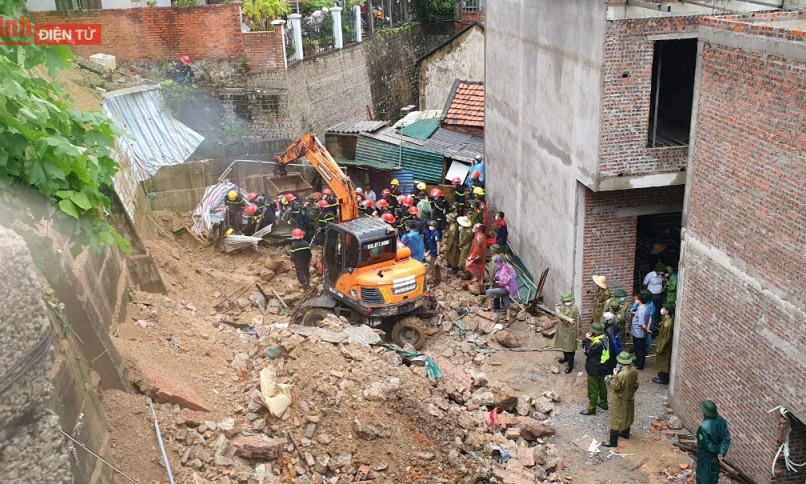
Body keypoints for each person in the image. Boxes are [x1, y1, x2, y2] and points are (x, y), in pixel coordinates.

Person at [602, 352, 639, 447]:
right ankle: (625, 433)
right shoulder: (634, 371)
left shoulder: (622, 374)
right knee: (628, 415)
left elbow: (616, 386)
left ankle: (613, 442)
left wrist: (615, 375)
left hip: (620, 398)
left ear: (620, 362)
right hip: (629, 397)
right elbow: (636, 384)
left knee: (616, 418)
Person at [696, 400, 731, 484]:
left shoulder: (703, 427)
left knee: (703, 480)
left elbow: (707, 445)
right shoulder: (721, 420)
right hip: (716, 458)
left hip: (705, 458)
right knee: (713, 479)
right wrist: (721, 451)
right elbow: (727, 437)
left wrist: (718, 450)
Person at [580, 322, 610, 415]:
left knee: (593, 389)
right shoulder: (605, 337)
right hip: (603, 366)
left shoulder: (597, 343)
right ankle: (604, 403)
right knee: (602, 385)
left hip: (594, 368)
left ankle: (591, 409)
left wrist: (586, 340)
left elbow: (588, 352)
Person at [485, 255, 518, 321]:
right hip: (509, 288)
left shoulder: (504, 270)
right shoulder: (507, 267)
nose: (496, 265)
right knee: (506, 302)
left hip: (505, 288)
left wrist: (497, 282)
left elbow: (504, 282)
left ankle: (489, 308)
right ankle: (508, 317)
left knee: (488, 292)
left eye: (497, 263)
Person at [554, 294, 581, 373]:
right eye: (566, 301)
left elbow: (578, 319)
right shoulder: (559, 306)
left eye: (569, 301)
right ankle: (565, 358)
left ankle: (570, 365)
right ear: (562, 301)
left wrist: (578, 331)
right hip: (562, 329)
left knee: (571, 349)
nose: (568, 302)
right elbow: (558, 314)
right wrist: (568, 319)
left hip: (571, 331)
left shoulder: (574, 307)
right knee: (564, 346)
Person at [653, 304, 675, 385]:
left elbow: (665, 338)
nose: (662, 309)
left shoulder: (667, 324)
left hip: (665, 347)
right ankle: (662, 374)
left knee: (664, 361)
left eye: (664, 308)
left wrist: (660, 348)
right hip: (666, 346)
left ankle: (664, 378)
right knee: (664, 361)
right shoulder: (669, 320)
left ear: (667, 311)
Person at [630, 292, 651, 370]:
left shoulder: (642, 310)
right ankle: (639, 360)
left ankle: (640, 365)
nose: (636, 299)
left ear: (640, 300)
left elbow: (642, 325)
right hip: (639, 333)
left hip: (638, 333)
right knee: (640, 348)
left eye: (637, 298)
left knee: (639, 349)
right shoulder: (646, 307)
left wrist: (646, 331)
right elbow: (649, 317)